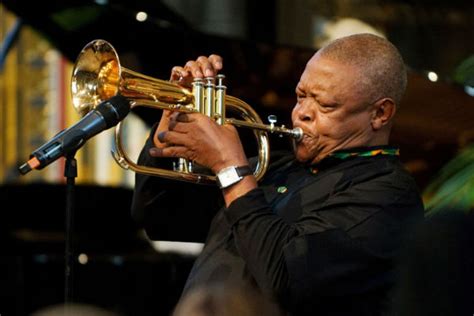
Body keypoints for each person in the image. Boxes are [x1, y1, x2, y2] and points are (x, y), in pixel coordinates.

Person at [131, 33, 425, 315]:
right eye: (300, 96)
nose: (301, 113)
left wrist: (230, 169)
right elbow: (161, 219)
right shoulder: (272, 167)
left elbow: (284, 279)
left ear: (380, 114)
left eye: (325, 105)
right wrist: (167, 129)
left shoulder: (389, 195)